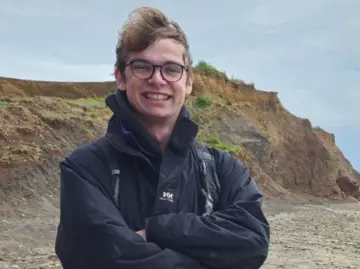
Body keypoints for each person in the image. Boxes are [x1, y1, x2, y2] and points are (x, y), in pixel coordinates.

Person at [54, 6, 270, 269]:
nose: (157, 79)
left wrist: (157, 230)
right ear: (121, 77)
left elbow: (253, 240)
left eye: (171, 69)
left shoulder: (224, 169)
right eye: (142, 66)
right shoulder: (84, 169)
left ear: (188, 82)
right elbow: (100, 257)